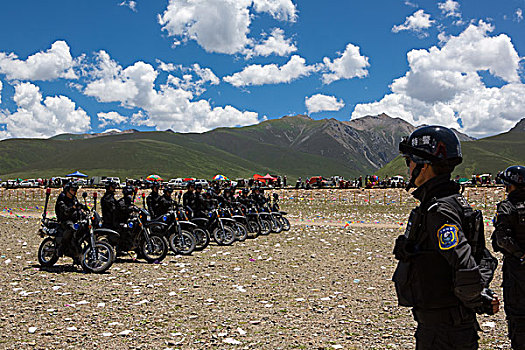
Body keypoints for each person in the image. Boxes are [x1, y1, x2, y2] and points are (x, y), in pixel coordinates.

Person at [392, 125, 499, 350]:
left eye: (409, 161)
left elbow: (466, 267)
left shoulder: (439, 210)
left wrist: (475, 301)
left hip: (444, 326)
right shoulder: (448, 202)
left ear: (425, 166)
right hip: (446, 321)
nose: (408, 167)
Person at [491, 165, 525, 349]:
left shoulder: (506, 207)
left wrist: (520, 254)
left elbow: (502, 239)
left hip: (516, 267)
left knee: (517, 314)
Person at [54, 181, 85, 260]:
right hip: (65, 220)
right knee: (71, 228)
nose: (74, 192)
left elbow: (78, 206)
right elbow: (65, 211)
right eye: (72, 190)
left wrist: (84, 208)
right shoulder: (62, 199)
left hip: (74, 220)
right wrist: (73, 208)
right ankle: (62, 247)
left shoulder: (74, 199)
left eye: (75, 190)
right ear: (67, 190)